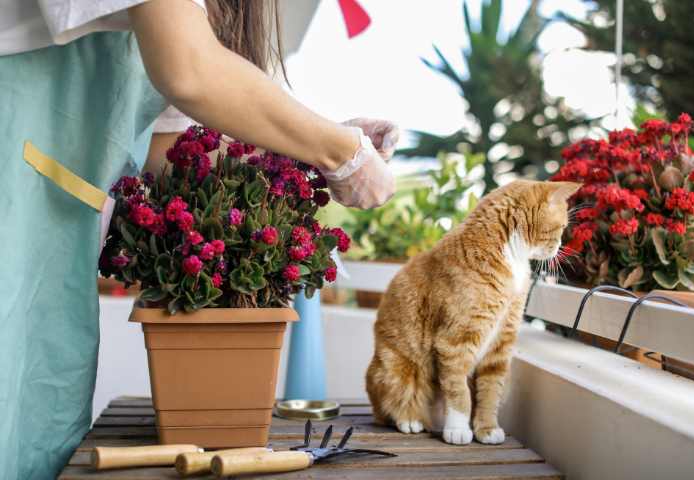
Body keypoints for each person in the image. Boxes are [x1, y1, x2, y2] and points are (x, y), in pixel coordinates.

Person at [0, 1, 397, 478]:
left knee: (30, 434)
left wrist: (318, 150)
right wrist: (341, 151)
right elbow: (189, 70)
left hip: (49, 257)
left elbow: (174, 154)